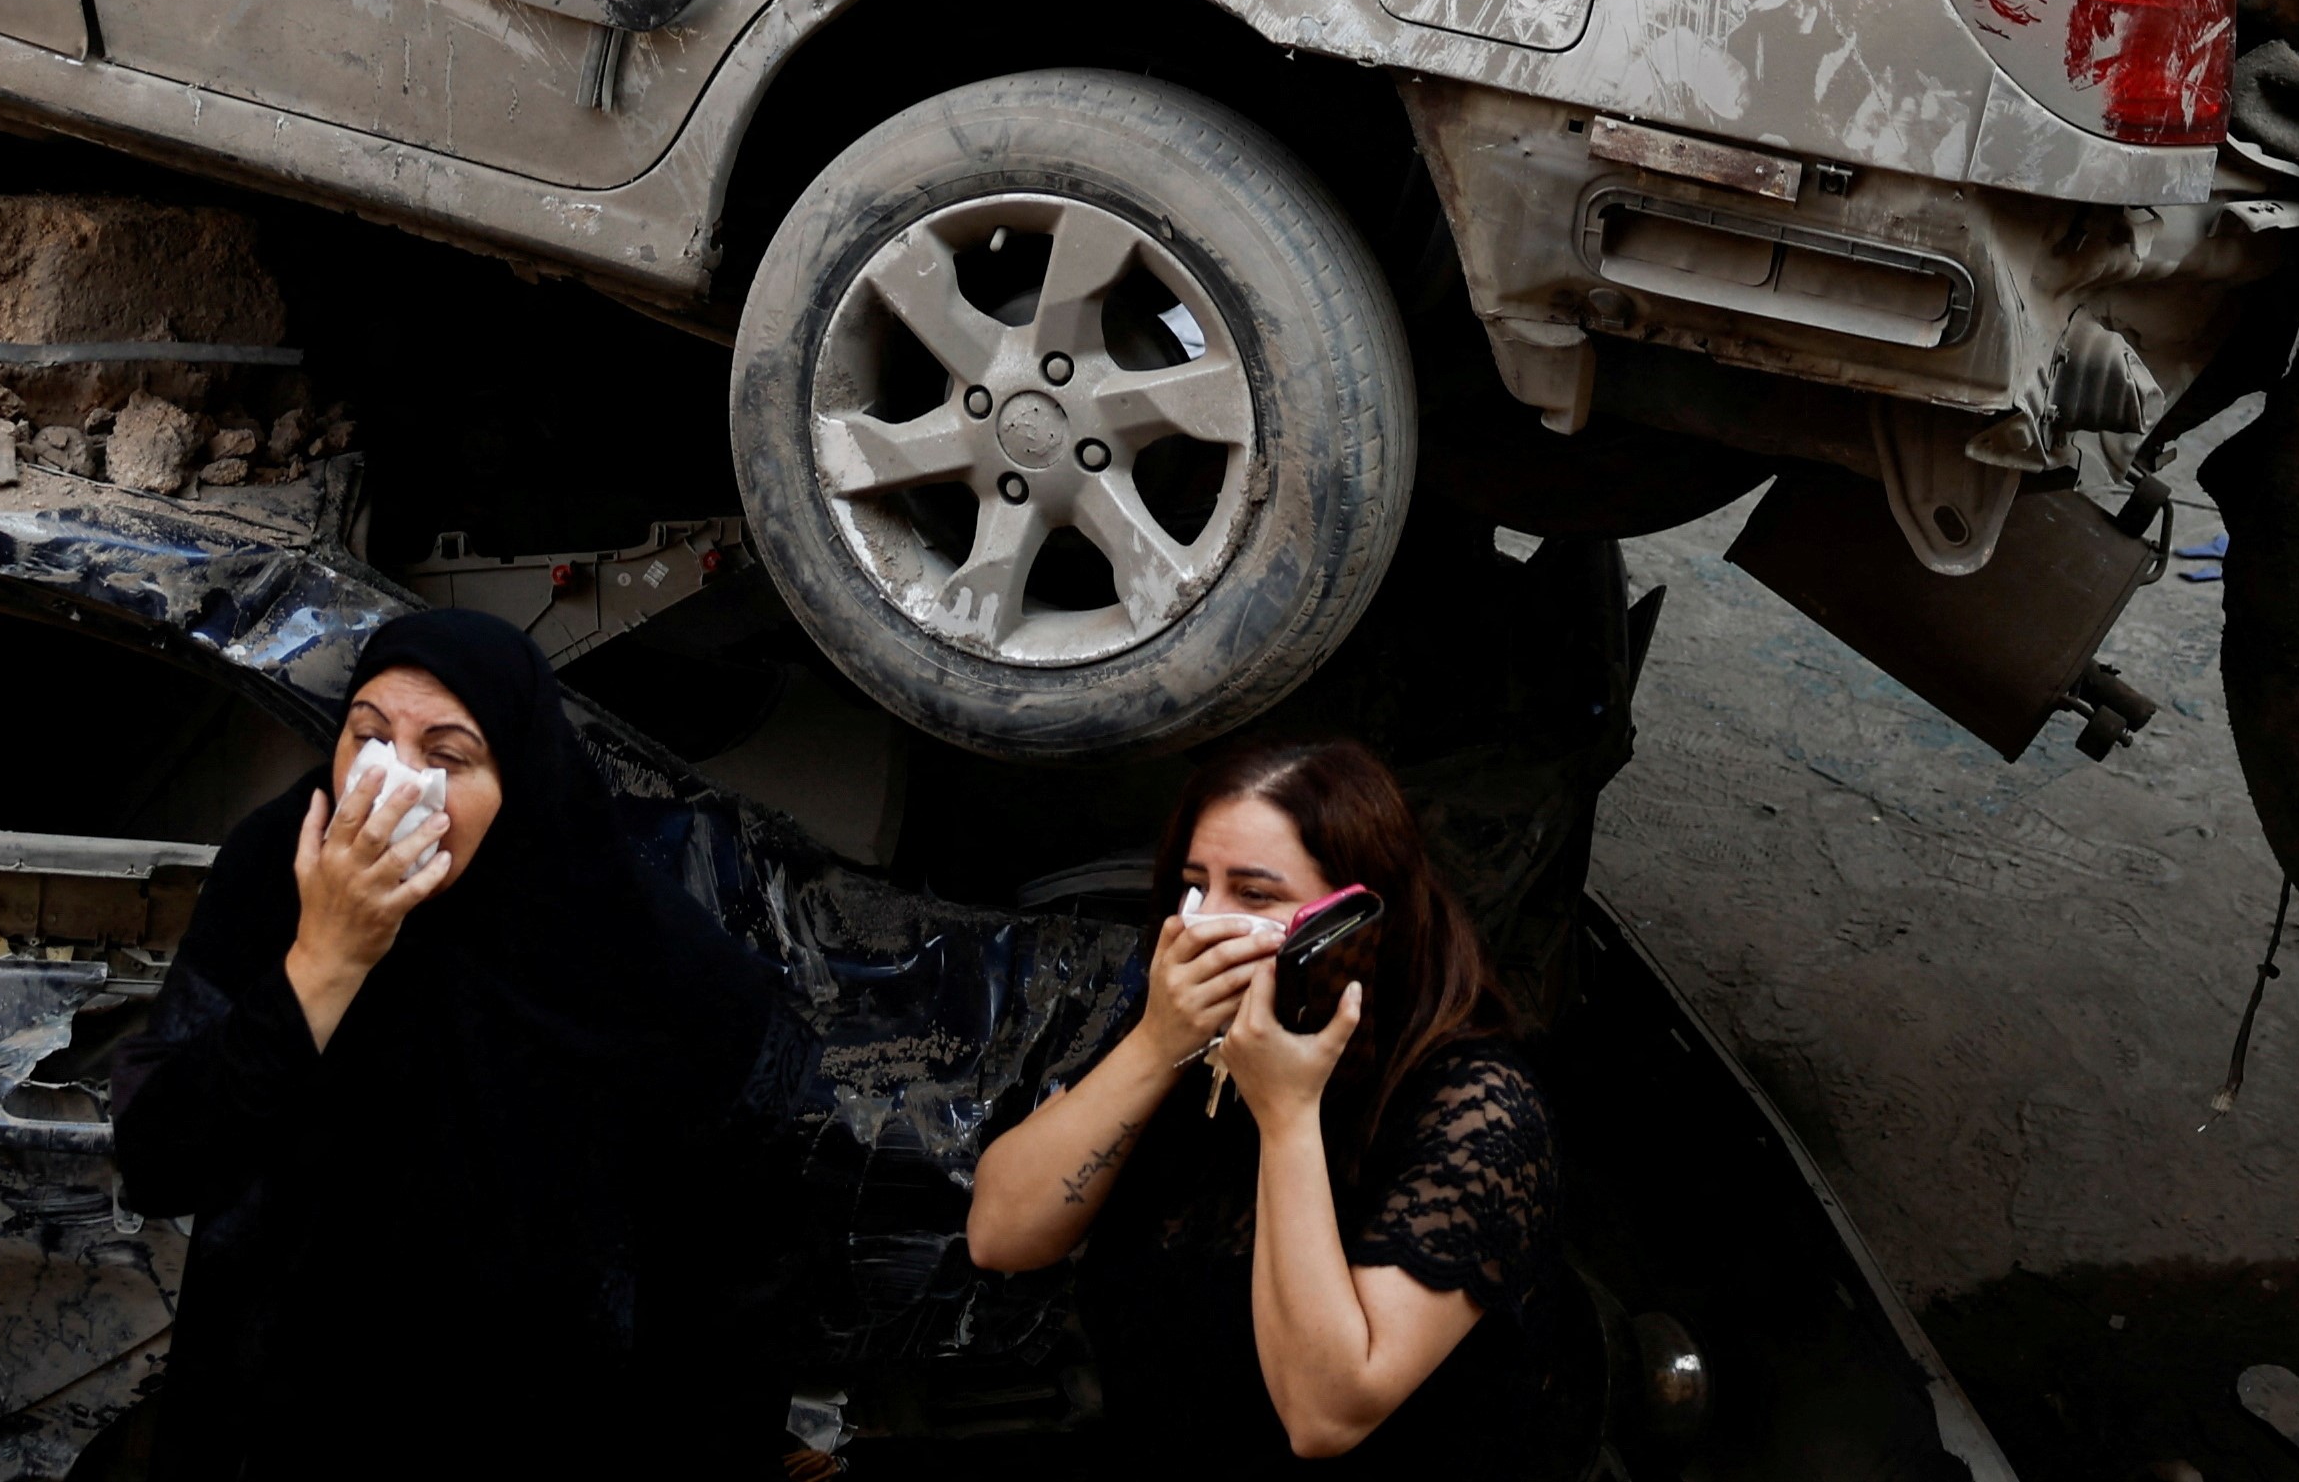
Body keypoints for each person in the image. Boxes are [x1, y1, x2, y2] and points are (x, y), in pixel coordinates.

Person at [106, 608, 809, 1476]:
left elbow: (738, 1301)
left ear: (518, 781)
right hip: (279, 1424)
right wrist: (323, 961)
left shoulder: (644, 964)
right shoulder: (276, 873)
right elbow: (160, 1157)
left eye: (446, 757)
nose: (394, 784)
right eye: (368, 736)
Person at [966, 737, 1604, 1473]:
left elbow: (1323, 1413)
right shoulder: (1188, 1022)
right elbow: (1000, 1233)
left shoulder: (1479, 1111)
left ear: (1356, 928)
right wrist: (1151, 1045)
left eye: (1257, 893)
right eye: (1196, 884)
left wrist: (1288, 1114)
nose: (1206, 922)